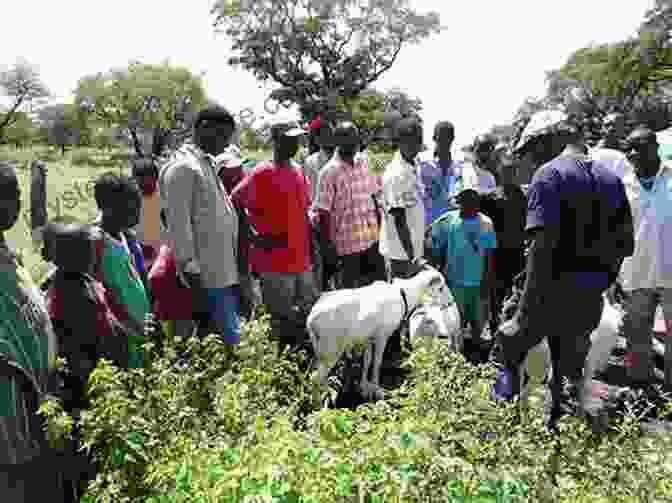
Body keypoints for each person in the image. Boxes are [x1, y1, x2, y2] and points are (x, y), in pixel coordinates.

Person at [492, 121, 635, 432]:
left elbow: (541, 250)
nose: (530, 158)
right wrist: (596, 284)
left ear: (548, 140)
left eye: (532, 149)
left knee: (508, 349)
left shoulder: (549, 175)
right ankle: (555, 428)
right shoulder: (611, 179)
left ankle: (502, 431)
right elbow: (624, 246)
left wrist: (521, 317)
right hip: (586, 298)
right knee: (567, 370)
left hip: (542, 294)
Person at [0, 162, 65, 502]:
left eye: (14, 196)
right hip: (11, 416)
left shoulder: (10, 257)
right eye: (5, 196)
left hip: (33, 411)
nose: (12, 205)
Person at [159, 106, 242, 352]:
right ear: (204, 129)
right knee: (217, 346)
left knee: (223, 344)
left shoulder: (204, 164)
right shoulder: (183, 168)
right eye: (223, 136)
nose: (226, 144)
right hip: (206, 279)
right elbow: (179, 227)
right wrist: (194, 277)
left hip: (222, 274)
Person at [231, 119, 318, 352]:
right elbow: (235, 200)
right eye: (290, 139)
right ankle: (282, 366)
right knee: (280, 321)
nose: (296, 143)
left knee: (306, 316)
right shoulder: (262, 172)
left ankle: (301, 360)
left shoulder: (298, 171)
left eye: (297, 138)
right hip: (276, 263)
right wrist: (253, 234)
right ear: (277, 141)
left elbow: (303, 212)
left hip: (302, 260)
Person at [45, 223, 129, 411]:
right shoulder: (64, 293)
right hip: (91, 383)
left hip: (108, 373)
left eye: (89, 249)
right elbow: (71, 347)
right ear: (62, 257)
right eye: (82, 250)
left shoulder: (85, 280)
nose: (90, 255)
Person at [618, 126, 672, 389]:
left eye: (639, 146)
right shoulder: (622, 186)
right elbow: (615, 230)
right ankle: (642, 393)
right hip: (635, 271)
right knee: (636, 335)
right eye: (629, 147)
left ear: (655, 148)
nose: (633, 153)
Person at [313, 121, 385, 289]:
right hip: (347, 249)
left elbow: (374, 198)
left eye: (355, 139)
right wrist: (328, 250)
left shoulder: (364, 162)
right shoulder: (329, 172)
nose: (353, 144)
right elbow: (323, 213)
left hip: (371, 242)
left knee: (378, 291)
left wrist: (381, 233)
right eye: (347, 140)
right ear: (337, 141)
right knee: (351, 299)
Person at [93, 172, 152, 369]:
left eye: (138, 203)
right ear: (108, 208)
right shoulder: (96, 244)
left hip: (140, 331)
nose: (138, 210)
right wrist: (129, 326)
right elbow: (100, 296)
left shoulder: (126, 236)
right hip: (120, 335)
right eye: (131, 205)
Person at [432, 183, 497, 349]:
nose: (469, 203)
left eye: (473, 199)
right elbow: (434, 242)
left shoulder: (486, 223)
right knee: (455, 325)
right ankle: (458, 358)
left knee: (479, 325)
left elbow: (489, 256)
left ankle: (478, 360)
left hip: (478, 284)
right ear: (459, 201)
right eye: (464, 199)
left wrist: (487, 282)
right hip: (455, 283)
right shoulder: (448, 221)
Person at [479, 155, 527, 334]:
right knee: (496, 295)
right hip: (497, 254)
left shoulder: (524, 197)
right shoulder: (490, 197)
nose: (509, 175)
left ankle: (512, 329)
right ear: (500, 173)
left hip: (517, 254)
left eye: (512, 172)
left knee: (516, 294)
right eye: (505, 172)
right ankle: (494, 329)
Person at [379, 117, 426, 281]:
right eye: (414, 141)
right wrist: (412, 257)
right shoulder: (395, 174)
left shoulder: (414, 165)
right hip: (401, 254)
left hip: (413, 250)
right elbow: (399, 219)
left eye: (420, 140)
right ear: (401, 141)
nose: (418, 146)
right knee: (403, 300)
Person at [131, 156, 163, 271]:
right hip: (137, 260)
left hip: (162, 260)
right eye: (141, 183)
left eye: (149, 183)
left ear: (156, 178)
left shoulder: (166, 196)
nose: (145, 187)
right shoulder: (128, 199)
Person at [590, 113, 632, 180]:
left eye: (616, 125)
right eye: (607, 125)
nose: (611, 128)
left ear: (623, 129)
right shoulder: (592, 154)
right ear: (601, 128)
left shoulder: (631, 151)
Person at [304, 118, 336, 206]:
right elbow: (311, 194)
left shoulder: (345, 157)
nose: (330, 136)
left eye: (331, 132)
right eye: (325, 134)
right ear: (316, 140)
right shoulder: (310, 162)